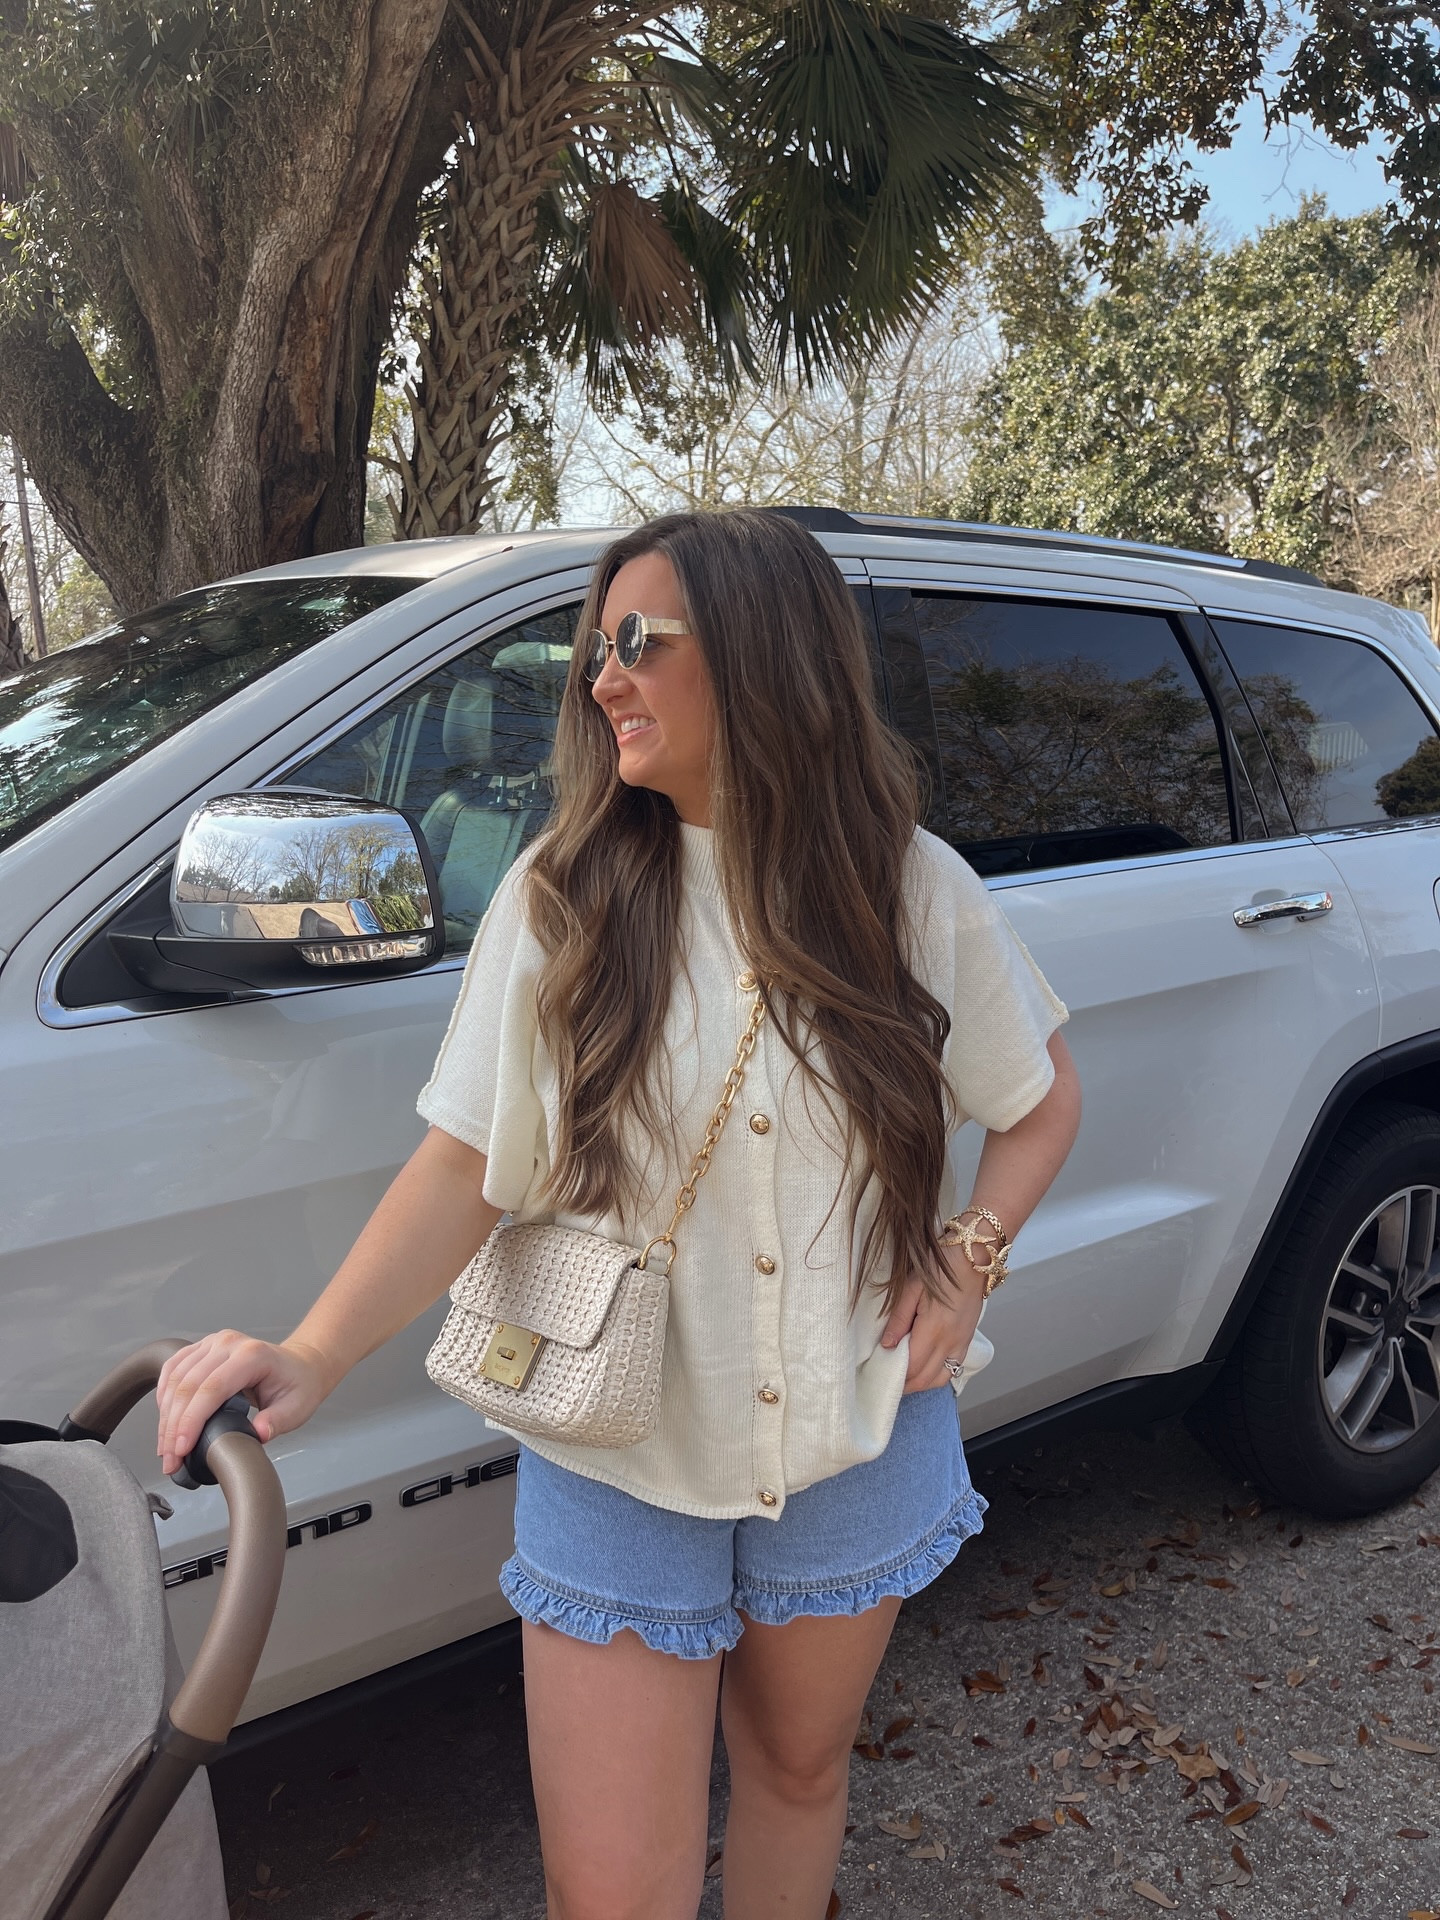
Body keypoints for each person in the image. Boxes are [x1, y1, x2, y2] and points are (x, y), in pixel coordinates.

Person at [155, 509, 1081, 1920]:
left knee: (794, 1772)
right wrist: (315, 1352)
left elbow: (1039, 1099)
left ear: (770, 658)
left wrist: (968, 1260)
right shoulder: (567, 897)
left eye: (640, 641)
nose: (602, 678)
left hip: (857, 1424)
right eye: (595, 648)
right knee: (613, 1893)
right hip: (616, 1445)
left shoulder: (908, 887)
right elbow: (471, 1161)